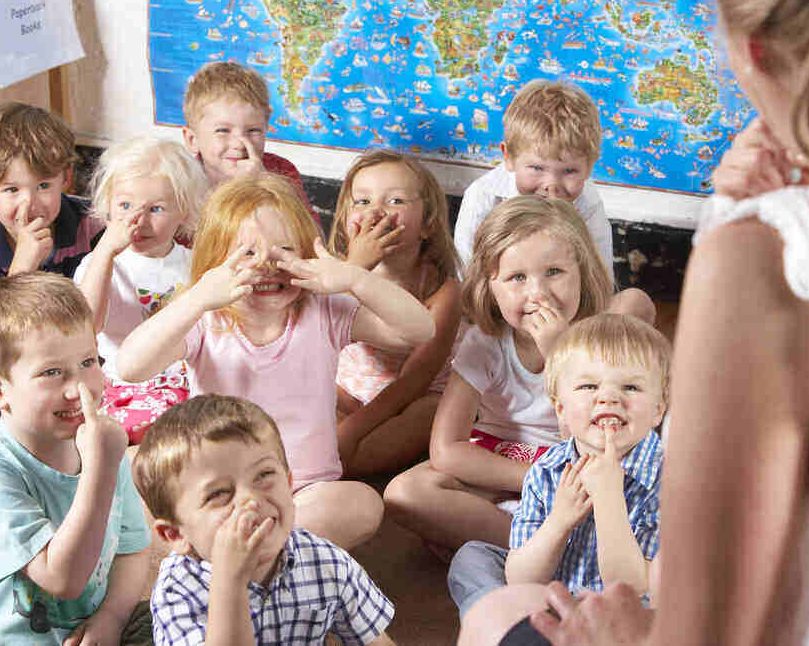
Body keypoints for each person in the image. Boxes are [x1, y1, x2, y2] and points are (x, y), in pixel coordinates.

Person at [460, 0, 809, 644]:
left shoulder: (774, 253)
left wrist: (629, 632)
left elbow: (703, 627)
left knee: (495, 617)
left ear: (750, 52)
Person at [116, 173, 434, 550]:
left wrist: (354, 279)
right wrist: (198, 297)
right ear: (215, 264)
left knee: (362, 504)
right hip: (219, 490)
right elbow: (130, 366)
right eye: (247, 254)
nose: (268, 266)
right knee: (133, 465)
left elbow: (419, 331)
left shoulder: (324, 311)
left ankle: (243, 554)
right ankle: (264, 554)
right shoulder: (207, 319)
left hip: (304, 493)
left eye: (285, 251)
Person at [384, 196, 614, 559]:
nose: (537, 293)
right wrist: (530, 479)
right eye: (517, 278)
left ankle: (506, 543)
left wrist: (560, 358)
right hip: (501, 463)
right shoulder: (484, 344)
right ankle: (544, 549)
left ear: (583, 274)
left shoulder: (601, 345)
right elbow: (446, 450)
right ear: (489, 287)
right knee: (405, 494)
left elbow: (589, 447)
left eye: (553, 272)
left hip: (572, 468)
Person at [0, 273, 152, 645]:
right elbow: (63, 580)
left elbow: (132, 550)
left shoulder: (100, 443)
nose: (79, 388)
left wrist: (111, 618)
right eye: (52, 373)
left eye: (89, 361)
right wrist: (101, 470)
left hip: (99, 625)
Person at [448, 313, 667, 619]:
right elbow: (523, 579)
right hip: (554, 600)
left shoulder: (668, 480)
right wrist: (559, 521)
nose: (608, 398)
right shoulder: (548, 468)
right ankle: (517, 629)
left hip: (625, 617)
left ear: (658, 410)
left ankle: (511, 628)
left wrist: (608, 500)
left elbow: (633, 586)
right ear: (561, 409)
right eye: (588, 386)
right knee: (473, 558)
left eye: (630, 387)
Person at [132, 394, 397, 645]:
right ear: (175, 535)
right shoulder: (177, 592)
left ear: (289, 483)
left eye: (264, 475)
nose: (251, 500)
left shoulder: (325, 561)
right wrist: (230, 581)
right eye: (219, 493)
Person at [329, 150, 463, 476]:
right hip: (346, 392)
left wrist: (352, 431)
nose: (376, 213)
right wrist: (355, 268)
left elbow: (412, 384)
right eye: (362, 202)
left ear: (427, 225)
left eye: (396, 202)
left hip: (407, 399)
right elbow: (317, 336)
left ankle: (347, 466)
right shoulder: (336, 271)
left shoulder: (443, 291)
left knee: (431, 410)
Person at [73, 137, 210, 445]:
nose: (138, 220)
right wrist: (105, 253)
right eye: (124, 206)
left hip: (185, 380)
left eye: (156, 209)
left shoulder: (196, 265)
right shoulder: (98, 265)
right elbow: (84, 330)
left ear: (184, 213)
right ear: (107, 208)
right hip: (120, 385)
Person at [453, 79, 613, 282]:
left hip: (564, 299)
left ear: (589, 167)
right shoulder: (483, 196)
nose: (551, 185)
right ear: (509, 157)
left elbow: (602, 276)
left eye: (570, 171)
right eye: (537, 168)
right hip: (495, 297)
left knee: (635, 300)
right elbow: (464, 274)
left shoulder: (588, 203)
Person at [0, 102, 104, 301]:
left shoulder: (95, 221)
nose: (29, 203)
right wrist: (21, 269)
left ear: (66, 178)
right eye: (12, 189)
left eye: (43, 186)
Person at [181, 61, 320, 223]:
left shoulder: (280, 170)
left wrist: (264, 185)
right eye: (223, 131)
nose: (240, 144)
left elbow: (312, 237)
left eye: (253, 130)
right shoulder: (181, 182)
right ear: (192, 140)